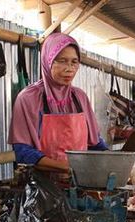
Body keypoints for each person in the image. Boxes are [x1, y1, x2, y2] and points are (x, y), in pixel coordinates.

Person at [8, 33, 107, 181]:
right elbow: (23, 152)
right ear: (48, 61)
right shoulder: (29, 98)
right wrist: (69, 168)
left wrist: (115, 160)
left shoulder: (80, 98)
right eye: (62, 61)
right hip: (41, 187)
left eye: (74, 62)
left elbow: (95, 143)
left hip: (80, 182)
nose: (69, 69)